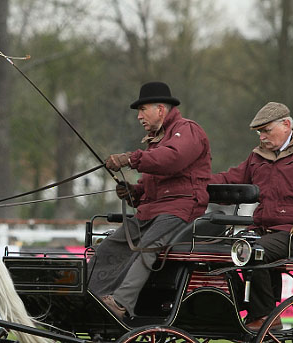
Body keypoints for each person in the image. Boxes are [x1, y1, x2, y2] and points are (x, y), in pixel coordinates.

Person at [209, 102, 293, 331]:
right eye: (259, 132)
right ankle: (237, 310)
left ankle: (265, 317)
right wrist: (197, 186)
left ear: (286, 125)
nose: (262, 137)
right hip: (264, 233)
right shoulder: (258, 157)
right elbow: (232, 181)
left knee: (253, 250)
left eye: (266, 130)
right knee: (223, 251)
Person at [88, 81, 211, 321]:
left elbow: (171, 160)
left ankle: (121, 302)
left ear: (161, 109)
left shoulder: (188, 130)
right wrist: (134, 192)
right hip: (151, 211)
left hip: (182, 209)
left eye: (143, 110)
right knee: (109, 245)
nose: (139, 117)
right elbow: (154, 182)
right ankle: (91, 293)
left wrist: (130, 158)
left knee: (147, 247)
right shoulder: (157, 140)